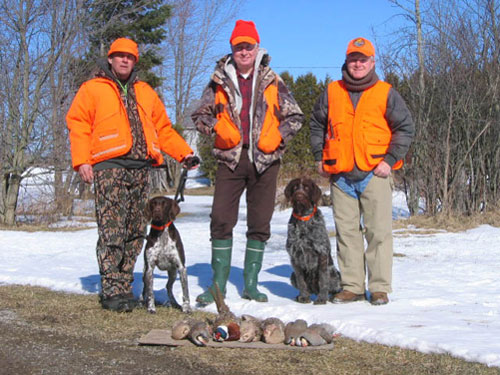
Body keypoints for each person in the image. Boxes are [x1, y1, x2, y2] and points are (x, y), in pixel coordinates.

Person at [66, 38, 197, 312]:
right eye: (119, 56)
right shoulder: (92, 89)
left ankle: (126, 286)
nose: (125, 60)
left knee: (136, 230)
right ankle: (113, 290)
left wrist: (184, 154)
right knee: (112, 228)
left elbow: (163, 129)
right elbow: (78, 125)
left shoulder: (146, 92)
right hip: (108, 168)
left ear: (135, 61)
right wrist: (81, 161)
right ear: (110, 59)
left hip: (140, 170)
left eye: (130, 57)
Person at [192, 20, 304, 304]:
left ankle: (250, 284)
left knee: (260, 222)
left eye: (249, 46)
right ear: (232, 48)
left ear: (257, 47)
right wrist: (217, 128)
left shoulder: (272, 80)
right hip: (230, 159)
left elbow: (296, 117)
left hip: (265, 161)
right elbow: (199, 116)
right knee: (220, 218)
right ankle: (217, 286)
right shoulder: (218, 79)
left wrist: (276, 138)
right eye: (239, 46)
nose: (244, 51)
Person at [310, 37, 414, 305]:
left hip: (374, 173)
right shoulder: (331, 91)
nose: (357, 63)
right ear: (346, 61)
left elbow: (405, 128)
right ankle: (352, 287)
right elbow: (316, 126)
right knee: (347, 234)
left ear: (372, 61)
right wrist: (318, 157)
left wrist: (389, 161)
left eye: (363, 59)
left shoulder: (386, 92)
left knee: (379, 233)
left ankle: (379, 288)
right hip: (341, 176)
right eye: (353, 58)